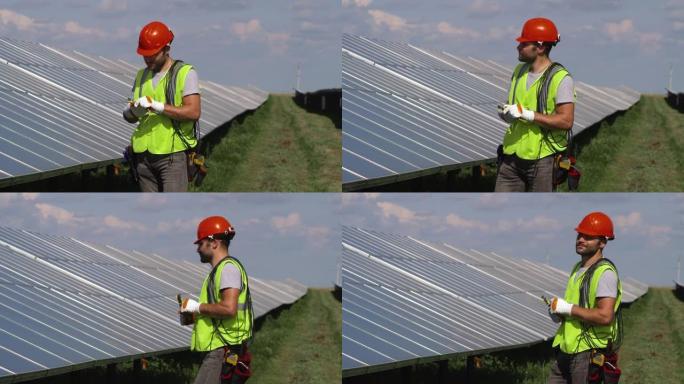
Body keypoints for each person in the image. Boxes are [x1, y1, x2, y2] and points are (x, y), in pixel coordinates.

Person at [495, 17, 576, 192]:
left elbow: (566, 121)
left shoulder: (561, 78)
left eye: (524, 43)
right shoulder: (519, 71)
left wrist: (528, 114)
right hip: (511, 156)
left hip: (543, 160)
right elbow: (516, 107)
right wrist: (507, 113)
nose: (518, 47)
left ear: (540, 47)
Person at [122, 21, 201, 192]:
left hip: (172, 158)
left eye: (153, 54)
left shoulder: (185, 73)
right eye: (144, 55)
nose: (148, 58)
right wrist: (132, 111)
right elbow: (129, 116)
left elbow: (193, 112)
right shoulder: (141, 75)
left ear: (166, 49)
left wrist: (157, 106)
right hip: (143, 158)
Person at [547, 212, 623, 384]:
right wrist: (559, 312)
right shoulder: (577, 268)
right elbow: (578, 307)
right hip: (566, 350)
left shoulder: (604, 273)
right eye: (580, 234)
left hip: (588, 354)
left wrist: (568, 308)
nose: (581, 239)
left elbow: (605, 316)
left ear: (602, 242)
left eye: (588, 237)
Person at [180, 216, 254, 384]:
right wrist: (191, 314)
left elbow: (229, 309)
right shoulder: (218, 272)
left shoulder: (227, 269)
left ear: (214, 243)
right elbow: (216, 311)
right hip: (218, 350)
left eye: (200, 243)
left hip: (222, 351)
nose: (197, 249)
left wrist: (197, 307)